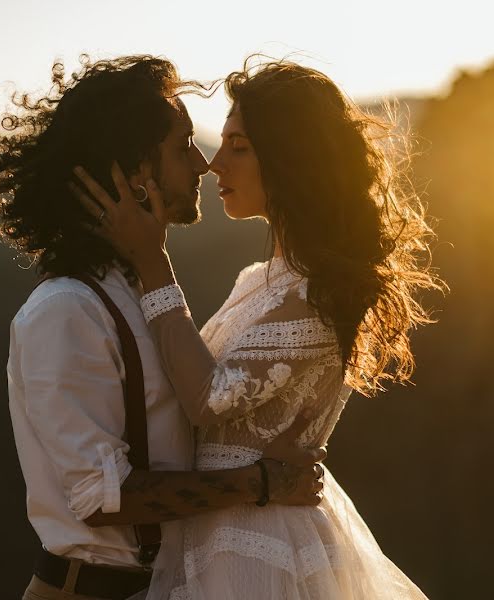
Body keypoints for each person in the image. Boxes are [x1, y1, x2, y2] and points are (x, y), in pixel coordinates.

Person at [69, 58, 442, 599]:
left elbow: (207, 400)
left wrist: (153, 263)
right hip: (213, 528)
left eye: (239, 147)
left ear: (292, 160)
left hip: (257, 548)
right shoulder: (259, 280)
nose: (215, 163)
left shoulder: (317, 297)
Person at [0, 55, 328, 600]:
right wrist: (257, 483)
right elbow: (102, 499)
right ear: (134, 173)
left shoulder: (141, 290)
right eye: (183, 145)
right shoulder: (67, 309)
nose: (201, 164)